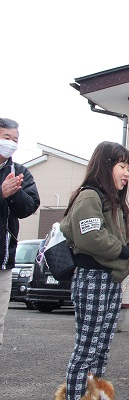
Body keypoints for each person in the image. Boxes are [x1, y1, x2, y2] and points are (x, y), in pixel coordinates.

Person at [57, 141, 129, 400]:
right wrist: (127, 252)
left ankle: (93, 395)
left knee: (101, 348)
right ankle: (75, 397)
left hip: (110, 280)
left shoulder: (116, 201)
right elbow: (90, 236)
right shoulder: (89, 195)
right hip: (92, 279)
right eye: (122, 166)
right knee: (86, 348)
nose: (126, 173)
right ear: (106, 165)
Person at [0, 117, 39, 351]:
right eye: (6, 138)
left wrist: (13, 193)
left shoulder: (20, 172)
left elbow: (30, 206)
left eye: (15, 140)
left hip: (3, 260)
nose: (12, 143)